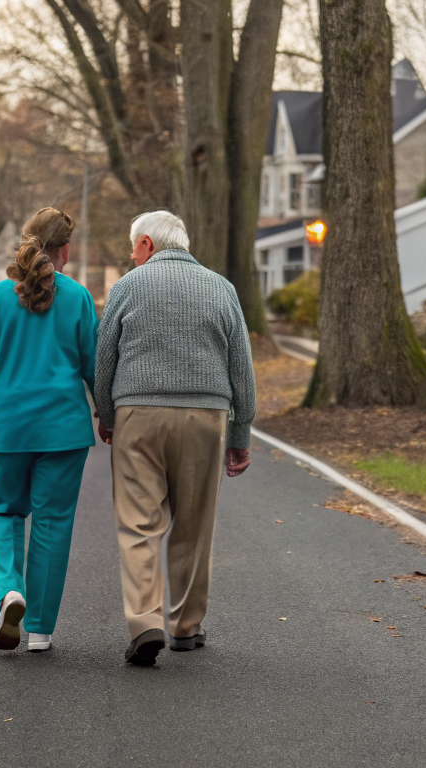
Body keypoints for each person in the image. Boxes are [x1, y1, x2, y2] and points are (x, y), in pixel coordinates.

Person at [94, 210, 256, 667]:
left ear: (147, 243)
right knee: (194, 522)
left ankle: (146, 622)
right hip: (205, 414)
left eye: (133, 246)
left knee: (138, 523)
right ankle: (186, 626)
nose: (131, 255)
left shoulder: (127, 286)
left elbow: (104, 358)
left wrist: (106, 415)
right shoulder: (221, 288)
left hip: (138, 414)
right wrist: (239, 432)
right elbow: (241, 366)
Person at [0, 208, 98, 653]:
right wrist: (107, 416)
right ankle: (39, 630)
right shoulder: (78, 298)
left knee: (2, 513)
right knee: (52, 524)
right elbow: (96, 369)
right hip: (64, 431)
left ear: (26, 244)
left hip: (5, 429)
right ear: (65, 251)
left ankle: (9, 593)